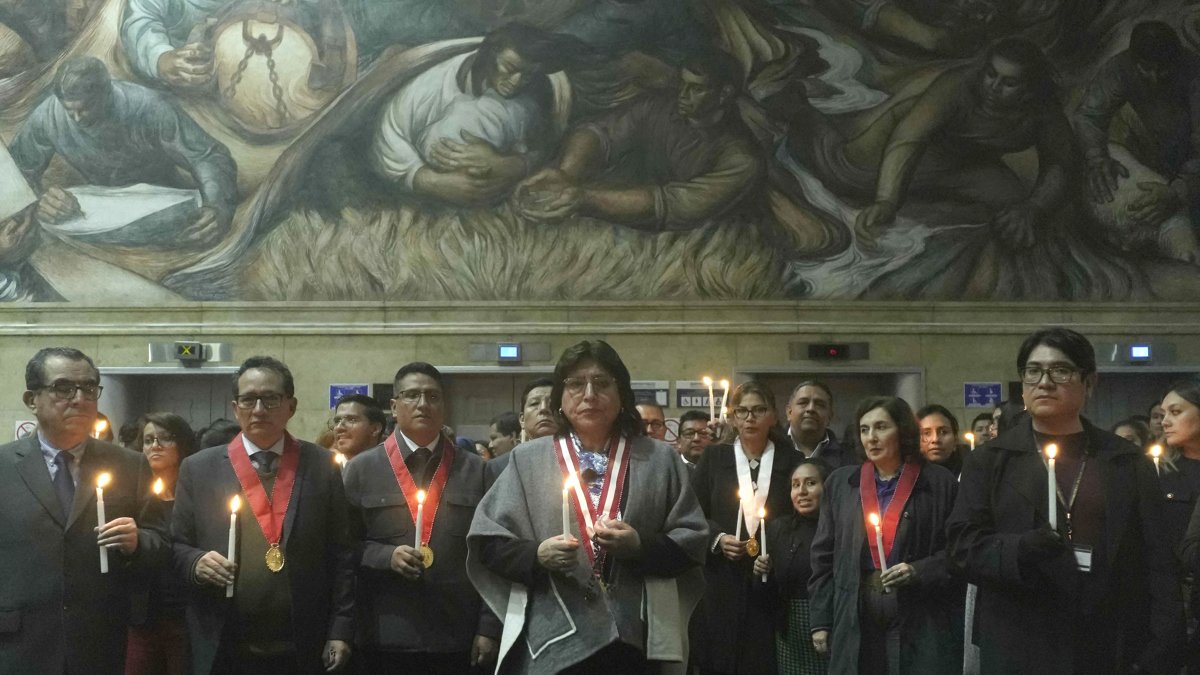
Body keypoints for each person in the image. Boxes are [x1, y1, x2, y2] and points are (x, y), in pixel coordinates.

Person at [946, 327, 1184, 673]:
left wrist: (1159, 651)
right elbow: (960, 547)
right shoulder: (991, 460)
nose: (1044, 382)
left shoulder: (1124, 460)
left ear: (1089, 383)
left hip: (1106, 640)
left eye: (1061, 370)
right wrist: (1020, 549)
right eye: (1033, 371)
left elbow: (1158, 561)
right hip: (1020, 639)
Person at [467, 340, 708, 672]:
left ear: (622, 395)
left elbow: (693, 542)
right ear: (560, 401)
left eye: (602, 383)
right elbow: (489, 544)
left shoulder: (659, 459)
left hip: (636, 640)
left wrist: (640, 546)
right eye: (576, 384)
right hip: (553, 638)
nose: (589, 394)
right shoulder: (528, 460)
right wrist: (537, 555)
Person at [794, 37, 1076, 253]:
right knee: (843, 172)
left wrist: (1034, 208)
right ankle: (794, 103)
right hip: (896, 143)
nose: (993, 86)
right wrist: (886, 200)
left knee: (1014, 202)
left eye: (1009, 83)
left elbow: (1060, 162)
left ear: (1029, 88)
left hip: (964, 165)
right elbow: (907, 140)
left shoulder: (1044, 111)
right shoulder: (959, 85)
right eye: (991, 74)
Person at [171, 356, 355, 674]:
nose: (258, 409)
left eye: (270, 399)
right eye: (248, 399)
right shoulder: (199, 468)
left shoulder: (322, 466)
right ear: (235, 407)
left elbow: (343, 555)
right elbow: (175, 546)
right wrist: (195, 563)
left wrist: (340, 629)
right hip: (224, 641)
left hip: (303, 641)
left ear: (291, 406)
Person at [0, 346, 169, 674]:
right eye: (63, 388)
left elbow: (161, 543)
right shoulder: (3, 467)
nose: (79, 398)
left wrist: (137, 543)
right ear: (31, 399)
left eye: (89, 388)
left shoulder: (129, 465)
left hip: (98, 639)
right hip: (19, 640)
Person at [342, 362, 499, 673]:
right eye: (412, 395)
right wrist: (385, 556)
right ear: (394, 405)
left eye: (433, 396)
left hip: (457, 634)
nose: (423, 404)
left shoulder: (477, 470)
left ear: (444, 405)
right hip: (383, 632)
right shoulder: (362, 469)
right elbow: (342, 548)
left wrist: (489, 627)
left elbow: (492, 555)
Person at [517, 48, 765, 231]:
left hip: (688, 248)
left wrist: (582, 198)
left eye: (697, 89)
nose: (683, 95)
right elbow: (599, 131)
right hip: (619, 215)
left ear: (725, 95)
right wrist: (567, 173)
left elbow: (672, 205)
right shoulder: (658, 107)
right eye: (683, 85)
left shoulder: (741, 159)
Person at [9, 56, 237, 246]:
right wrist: (40, 202)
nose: (77, 119)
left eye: (86, 109)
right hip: (95, 211)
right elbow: (16, 170)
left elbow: (207, 156)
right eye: (70, 112)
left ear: (107, 93)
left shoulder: (148, 107)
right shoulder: (49, 115)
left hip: (160, 203)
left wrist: (218, 205)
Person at [809, 396, 962, 673]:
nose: (871, 437)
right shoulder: (841, 484)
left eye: (881, 427)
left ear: (902, 431)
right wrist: (821, 620)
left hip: (920, 613)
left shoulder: (939, 482)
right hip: (855, 609)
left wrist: (919, 570)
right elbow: (822, 557)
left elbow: (959, 552)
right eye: (865, 429)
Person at [370, 23, 575, 206]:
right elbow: (388, 133)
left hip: (494, 192)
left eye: (528, 74)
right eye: (509, 68)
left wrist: (508, 166)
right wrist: (430, 181)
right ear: (488, 56)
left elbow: (546, 143)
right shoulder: (429, 87)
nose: (516, 82)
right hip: (428, 184)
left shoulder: (535, 94)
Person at [691, 380, 799, 674]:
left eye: (759, 410)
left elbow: (801, 519)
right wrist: (717, 538)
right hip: (722, 580)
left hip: (771, 580)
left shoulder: (792, 461)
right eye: (743, 411)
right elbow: (691, 512)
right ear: (733, 418)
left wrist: (778, 553)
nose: (750, 418)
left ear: (773, 416)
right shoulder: (714, 458)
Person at [1075, 21, 1200, 263]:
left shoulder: (1195, 73)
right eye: (1146, 68)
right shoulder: (1121, 67)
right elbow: (1088, 115)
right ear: (1134, 60)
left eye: (1163, 69)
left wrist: (1179, 190)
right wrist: (1096, 157)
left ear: (1177, 60)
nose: (1154, 78)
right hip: (1160, 157)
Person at [127, 412, 198, 675]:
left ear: (181, 444)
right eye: (148, 440)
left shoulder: (194, 491)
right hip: (143, 612)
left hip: (185, 611)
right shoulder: (129, 492)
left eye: (165, 438)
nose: (155, 445)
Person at [754, 458, 830, 675]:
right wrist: (760, 573)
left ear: (827, 487)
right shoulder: (779, 528)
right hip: (789, 630)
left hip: (830, 626)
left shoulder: (839, 527)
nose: (802, 491)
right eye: (795, 485)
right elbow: (765, 595)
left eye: (811, 483)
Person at [1157, 378, 1200, 673]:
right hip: (1173, 593)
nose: (1164, 422)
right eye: (1162, 415)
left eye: (1175, 412)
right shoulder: (1160, 471)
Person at [786, 380, 851, 468]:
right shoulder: (770, 448)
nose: (811, 408)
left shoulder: (849, 459)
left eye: (820, 405)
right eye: (803, 403)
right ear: (789, 412)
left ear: (830, 416)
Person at [329, 393, 386, 460]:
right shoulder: (324, 467)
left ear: (375, 429)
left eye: (352, 420)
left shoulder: (392, 467)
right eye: (337, 421)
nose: (339, 428)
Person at [917, 404, 966, 478]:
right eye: (926, 433)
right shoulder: (905, 478)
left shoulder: (970, 472)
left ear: (955, 439)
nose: (935, 439)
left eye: (944, 432)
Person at [519, 378, 556, 442]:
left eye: (552, 403)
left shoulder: (578, 451)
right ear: (522, 419)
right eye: (534, 403)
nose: (543, 408)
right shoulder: (516, 452)